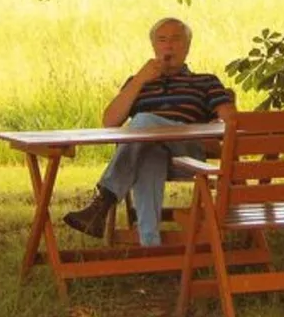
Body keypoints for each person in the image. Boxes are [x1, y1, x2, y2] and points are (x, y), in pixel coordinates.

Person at [62, 17, 236, 246]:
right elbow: (110, 122)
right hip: (148, 152)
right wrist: (139, 81)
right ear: (154, 46)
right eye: (162, 40)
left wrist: (210, 130)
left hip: (187, 155)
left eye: (176, 39)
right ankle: (151, 247)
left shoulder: (205, 81)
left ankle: (103, 201)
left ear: (187, 47)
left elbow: (231, 121)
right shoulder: (138, 83)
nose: (168, 46)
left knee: (144, 120)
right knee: (149, 156)